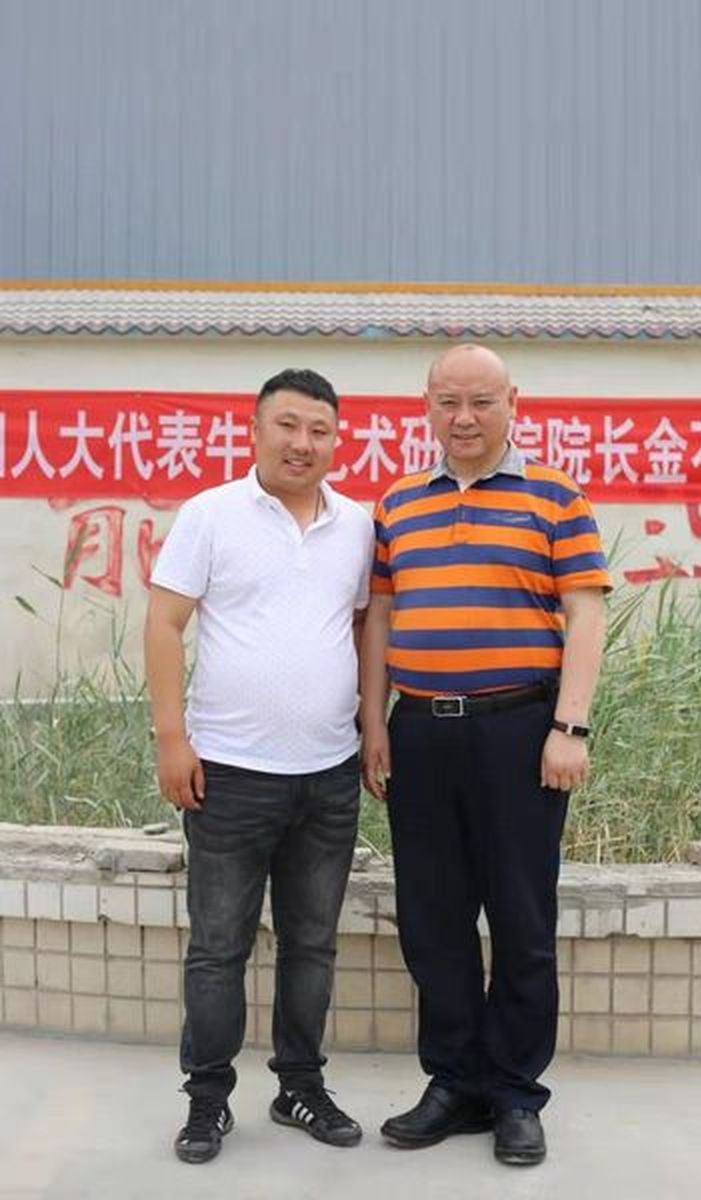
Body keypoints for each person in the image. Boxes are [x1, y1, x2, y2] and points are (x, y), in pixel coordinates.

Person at [360, 344, 610, 1167]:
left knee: (521, 919)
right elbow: (381, 619)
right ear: (426, 406)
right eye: (447, 402)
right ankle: (454, 1083)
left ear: (513, 403)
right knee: (432, 919)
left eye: (480, 401)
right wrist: (374, 721)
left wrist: (570, 727)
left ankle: (515, 1093)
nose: (462, 418)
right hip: (421, 733)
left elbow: (585, 615)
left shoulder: (556, 497)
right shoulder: (398, 504)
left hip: (519, 731)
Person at [144, 367, 374, 1164]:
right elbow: (164, 623)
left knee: (312, 944)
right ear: (254, 429)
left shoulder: (357, 525)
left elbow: (361, 629)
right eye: (288, 425)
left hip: (329, 773)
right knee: (218, 949)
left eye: (319, 430)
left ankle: (299, 1086)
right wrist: (172, 738)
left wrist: (370, 725)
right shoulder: (211, 515)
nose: (302, 443)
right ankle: (207, 1100)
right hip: (229, 775)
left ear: (336, 440)